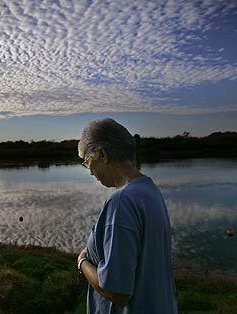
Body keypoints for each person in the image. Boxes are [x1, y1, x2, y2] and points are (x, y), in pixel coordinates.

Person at [76, 118, 178, 313]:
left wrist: (82, 262)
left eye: (87, 161)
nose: (89, 171)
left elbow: (117, 292)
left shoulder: (122, 202)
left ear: (103, 154)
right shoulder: (150, 191)